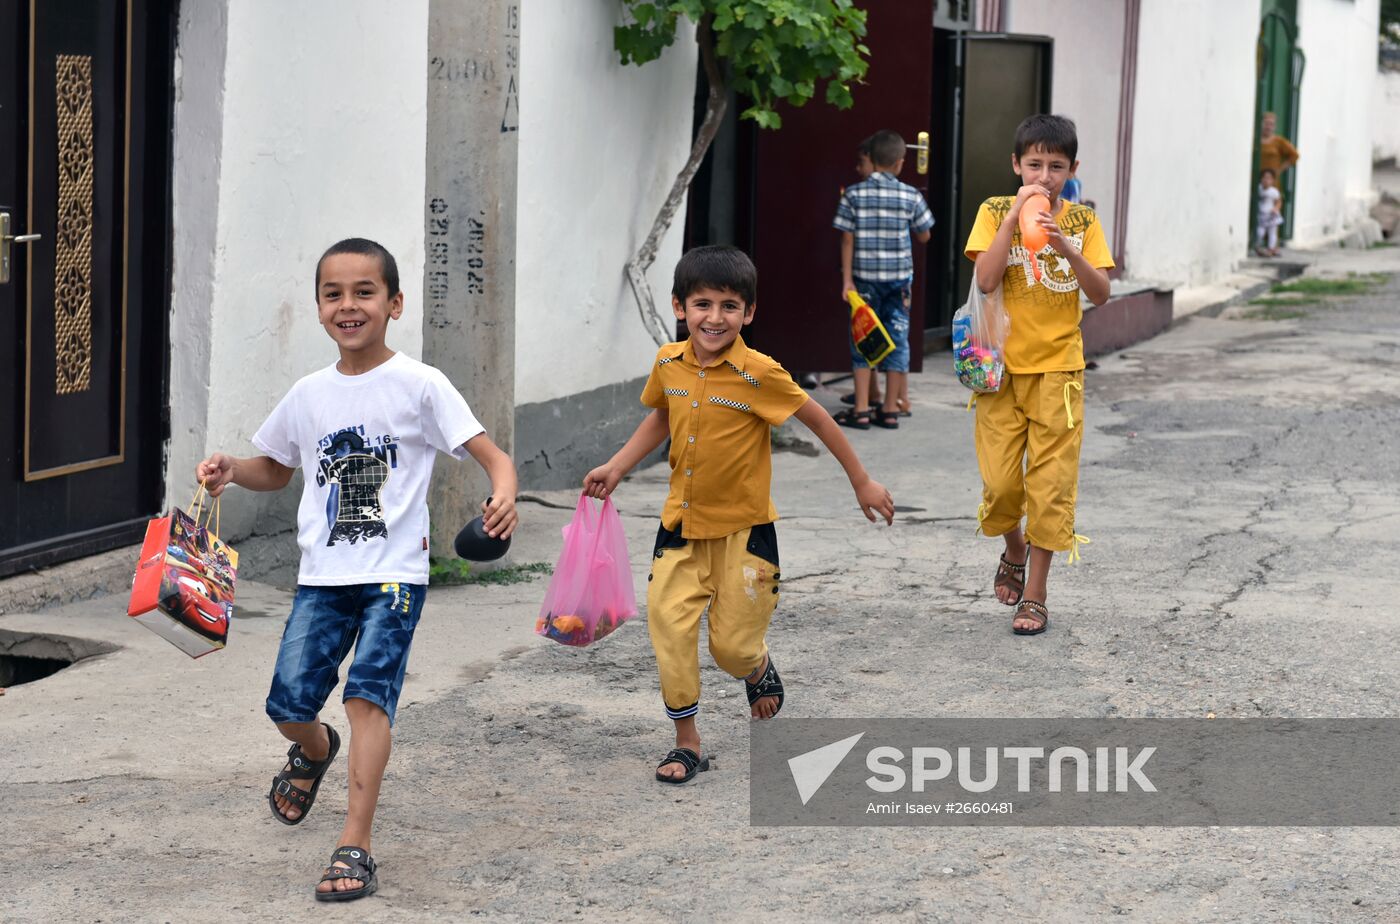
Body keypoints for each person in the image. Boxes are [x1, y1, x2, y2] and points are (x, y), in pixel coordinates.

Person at [195, 238, 519, 902]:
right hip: (321, 578)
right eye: (334, 294)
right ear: (319, 308)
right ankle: (314, 751)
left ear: (394, 304)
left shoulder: (421, 385)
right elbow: (278, 468)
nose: (349, 305)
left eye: (364, 292)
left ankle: (355, 843)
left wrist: (504, 492)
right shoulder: (309, 394)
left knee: (367, 696)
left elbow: (492, 455)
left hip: (396, 575)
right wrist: (232, 469)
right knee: (288, 703)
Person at [583, 244, 894, 784]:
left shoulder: (760, 373)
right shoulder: (667, 362)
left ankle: (755, 667)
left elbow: (817, 420)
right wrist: (617, 467)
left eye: (730, 306)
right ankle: (687, 743)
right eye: (703, 304)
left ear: (749, 313)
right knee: (669, 630)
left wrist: (861, 480)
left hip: (746, 538)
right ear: (680, 307)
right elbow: (661, 417)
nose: (715, 317)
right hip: (679, 530)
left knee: (730, 648)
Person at [963, 114, 1114, 636]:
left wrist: (1063, 243)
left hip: (1059, 373)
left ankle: (1036, 593)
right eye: (1034, 165)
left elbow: (1100, 293)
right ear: (1015, 165)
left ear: (1073, 169)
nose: (1044, 177)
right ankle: (1014, 547)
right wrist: (1013, 222)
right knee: (1002, 486)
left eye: (1056, 167)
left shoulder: (1082, 222)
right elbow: (984, 280)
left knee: (1050, 487)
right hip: (998, 370)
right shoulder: (993, 210)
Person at [833, 129, 934, 430]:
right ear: (901, 163)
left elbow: (846, 240)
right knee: (898, 339)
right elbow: (925, 235)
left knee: (863, 338)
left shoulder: (853, 194)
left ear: (871, 160)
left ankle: (862, 409)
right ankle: (889, 409)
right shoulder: (910, 195)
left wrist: (847, 280)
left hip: (863, 281)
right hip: (899, 282)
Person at [1258, 111, 1300, 246]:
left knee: (1273, 210)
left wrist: (1279, 169)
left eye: (1271, 124)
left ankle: (1272, 244)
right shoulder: (1256, 139)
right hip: (1258, 180)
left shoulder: (1278, 142)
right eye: (1266, 124)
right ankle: (1257, 241)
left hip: (1272, 181)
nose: (1268, 127)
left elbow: (1294, 155)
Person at [1256, 168, 1284, 257]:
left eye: (1269, 178)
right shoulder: (1258, 188)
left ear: (1272, 180)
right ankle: (1258, 246)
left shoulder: (1274, 191)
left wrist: (1275, 208)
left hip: (1271, 216)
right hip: (1261, 215)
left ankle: (1271, 248)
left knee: (1272, 233)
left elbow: (1279, 201)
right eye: (1264, 178)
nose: (1266, 180)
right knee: (1260, 232)